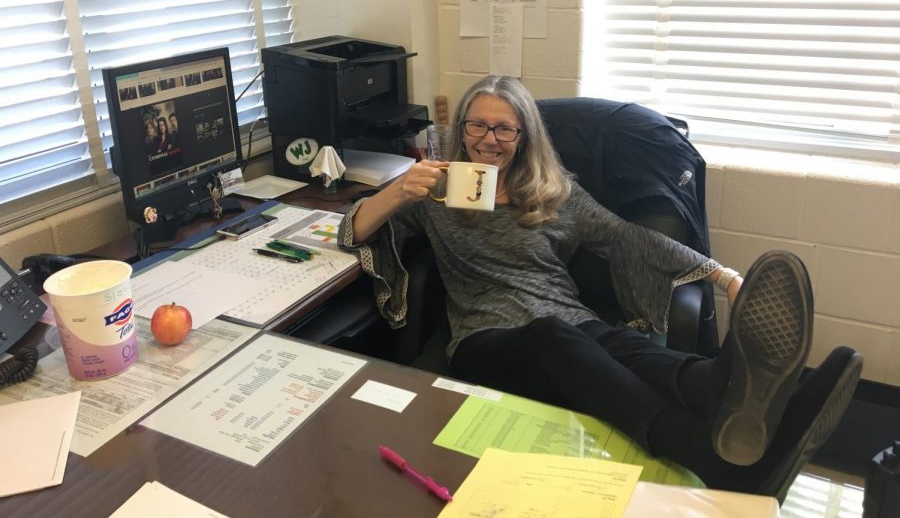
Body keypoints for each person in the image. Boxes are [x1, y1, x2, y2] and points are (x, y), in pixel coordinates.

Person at [338, 75, 862, 500]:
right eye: (478, 125)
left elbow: (629, 239)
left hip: (571, 325)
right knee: (554, 334)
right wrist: (397, 191)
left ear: (525, 138)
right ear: (462, 130)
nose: (489, 139)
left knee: (615, 341)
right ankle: (707, 454)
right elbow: (351, 231)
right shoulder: (435, 192)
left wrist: (724, 277)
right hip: (485, 339)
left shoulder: (555, 192)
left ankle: (748, 393)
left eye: (505, 129)